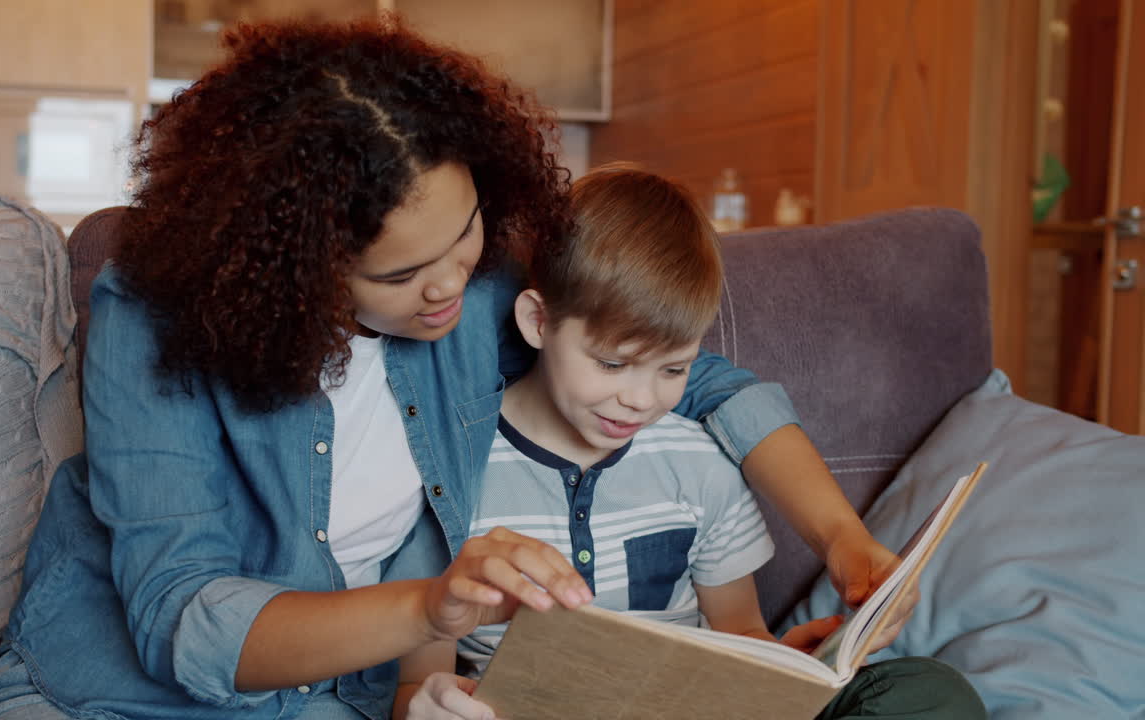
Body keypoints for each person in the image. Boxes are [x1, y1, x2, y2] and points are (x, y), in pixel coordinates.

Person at [0, 17, 904, 720]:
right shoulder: (156, 318)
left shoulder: (481, 290)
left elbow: (686, 378)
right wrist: (429, 608)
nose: (452, 289)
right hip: (113, 695)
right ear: (293, 266)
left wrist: (841, 542)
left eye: (466, 236)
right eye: (403, 274)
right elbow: (184, 620)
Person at [395, 165, 986, 720]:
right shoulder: (454, 470)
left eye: (673, 369)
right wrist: (439, 704)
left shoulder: (698, 463)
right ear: (538, 322)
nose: (641, 399)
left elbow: (739, 633)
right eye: (612, 363)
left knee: (930, 693)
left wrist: (786, 666)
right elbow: (415, 681)